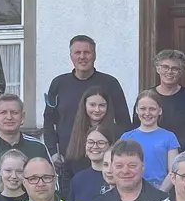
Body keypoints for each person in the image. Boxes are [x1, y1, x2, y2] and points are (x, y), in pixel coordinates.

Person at [44, 35, 126, 173]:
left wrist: (114, 154)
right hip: (67, 161)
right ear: (71, 56)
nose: (82, 57)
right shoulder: (58, 84)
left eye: (87, 52)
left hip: (103, 161)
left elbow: (124, 122)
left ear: (94, 55)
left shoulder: (110, 83)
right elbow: (48, 121)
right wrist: (53, 152)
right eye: (77, 53)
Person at [61, 85, 126, 186]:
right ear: (85, 105)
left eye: (102, 105)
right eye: (92, 105)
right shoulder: (73, 130)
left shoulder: (117, 132)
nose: (97, 110)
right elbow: (68, 167)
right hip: (79, 188)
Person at [146, 48, 185, 153]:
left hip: (182, 157)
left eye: (175, 68)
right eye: (165, 67)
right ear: (157, 69)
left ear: (181, 72)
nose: (169, 72)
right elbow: (137, 128)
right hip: (151, 153)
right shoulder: (147, 97)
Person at [121, 91, 180, 189]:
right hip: (131, 188)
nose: (147, 113)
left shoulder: (169, 137)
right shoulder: (126, 137)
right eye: (143, 109)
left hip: (159, 188)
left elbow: (173, 171)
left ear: (160, 111)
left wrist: (160, 193)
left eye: (152, 109)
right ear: (136, 110)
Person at [69, 127, 114, 201]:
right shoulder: (78, 179)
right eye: (90, 142)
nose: (94, 146)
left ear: (110, 146)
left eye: (101, 143)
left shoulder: (117, 177)